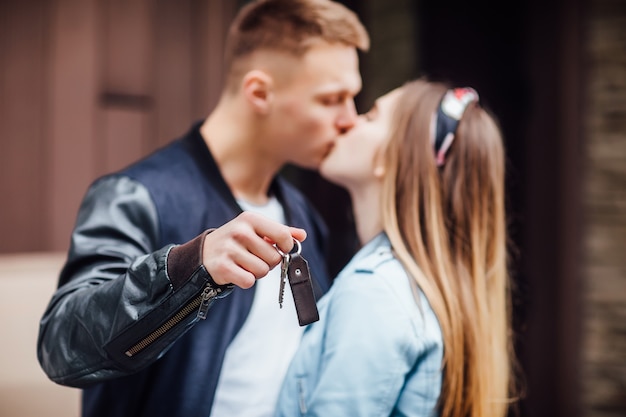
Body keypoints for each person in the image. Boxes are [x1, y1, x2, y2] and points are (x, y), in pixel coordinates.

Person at [36, 1, 369, 416]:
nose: (349, 119)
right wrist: (188, 267)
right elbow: (61, 346)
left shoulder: (300, 213)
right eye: (332, 99)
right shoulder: (134, 196)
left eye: (352, 98)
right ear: (259, 93)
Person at [274, 78, 515, 417]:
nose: (349, 121)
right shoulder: (408, 288)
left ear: (389, 157)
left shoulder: (375, 293)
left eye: (371, 117)